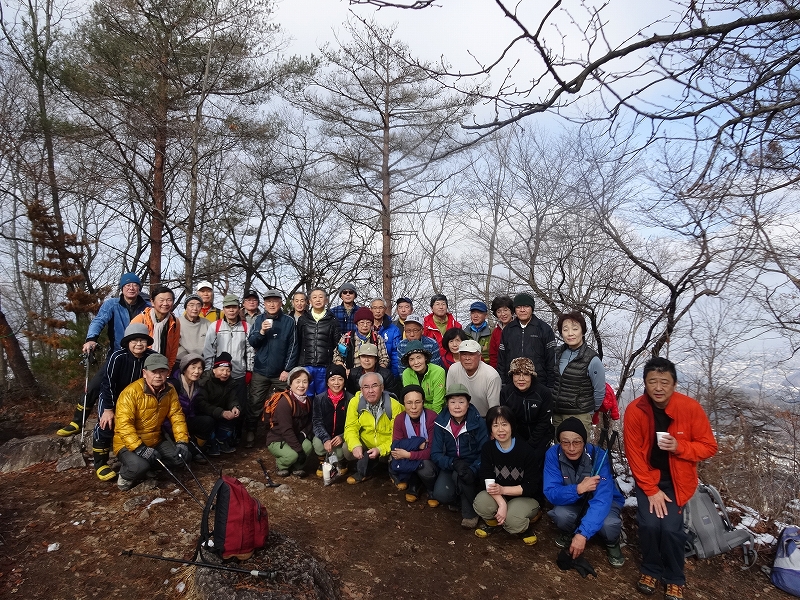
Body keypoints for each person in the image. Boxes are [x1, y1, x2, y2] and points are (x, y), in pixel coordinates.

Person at [624, 357, 717, 600]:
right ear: (645, 383)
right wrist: (651, 489)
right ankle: (650, 569)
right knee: (649, 525)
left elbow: (709, 446)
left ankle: (674, 577)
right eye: (652, 381)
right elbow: (633, 454)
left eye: (664, 382)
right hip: (649, 478)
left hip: (678, 480)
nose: (658, 387)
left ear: (674, 384)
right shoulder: (635, 410)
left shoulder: (689, 408)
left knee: (671, 529)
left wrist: (680, 447)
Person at [57, 272, 149, 437]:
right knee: (94, 386)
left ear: (139, 288)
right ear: (122, 288)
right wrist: (91, 339)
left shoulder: (147, 307)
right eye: (127, 285)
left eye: (135, 285)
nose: (131, 288)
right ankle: (77, 421)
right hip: (117, 354)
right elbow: (99, 320)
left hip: (142, 355)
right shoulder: (112, 304)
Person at [544, 417, 626, 568]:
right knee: (561, 515)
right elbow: (551, 492)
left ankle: (612, 541)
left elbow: (602, 499)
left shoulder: (598, 456)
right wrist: (578, 489)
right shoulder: (553, 454)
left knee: (609, 524)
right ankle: (570, 531)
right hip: (575, 500)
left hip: (603, 501)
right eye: (565, 442)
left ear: (584, 441)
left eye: (577, 442)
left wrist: (582, 534)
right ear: (559, 442)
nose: (571, 448)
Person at [113, 353, 190, 491]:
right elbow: (123, 425)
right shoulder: (130, 392)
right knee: (139, 467)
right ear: (145, 373)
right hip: (127, 442)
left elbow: (176, 415)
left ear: (168, 373)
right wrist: (139, 448)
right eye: (154, 371)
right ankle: (126, 474)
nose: (158, 376)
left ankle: (149, 464)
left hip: (155, 440)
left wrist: (182, 442)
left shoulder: (170, 390)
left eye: (162, 371)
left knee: (182, 457)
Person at [92, 323, 156, 481]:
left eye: (142, 340)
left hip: (137, 401)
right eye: (134, 340)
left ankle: (136, 459)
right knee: (106, 424)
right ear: (128, 342)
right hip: (112, 398)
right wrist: (108, 409)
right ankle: (101, 463)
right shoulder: (117, 357)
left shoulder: (152, 357)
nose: (138, 344)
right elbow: (107, 383)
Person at [473, 406, 540, 544]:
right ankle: (495, 523)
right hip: (498, 495)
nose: (500, 429)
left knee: (513, 520)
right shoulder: (488, 448)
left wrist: (503, 490)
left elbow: (532, 486)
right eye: (495, 425)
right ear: (490, 429)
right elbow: (486, 478)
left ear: (512, 426)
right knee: (481, 502)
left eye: (504, 424)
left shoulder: (526, 450)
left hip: (525, 497)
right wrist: (502, 503)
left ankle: (523, 527)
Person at [430, 383, 489, 528]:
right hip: (451, 464)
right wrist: (452, 463)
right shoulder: (441, 423)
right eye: (452, 402)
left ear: (468, 404)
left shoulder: (477, 422)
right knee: (441, 494)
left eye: (461, 402)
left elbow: (486, 452)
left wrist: (474, 469)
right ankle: (458, 498)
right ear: (447, 404)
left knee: (463, 476)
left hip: (472, 464)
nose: (457, 406)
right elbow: (435, 453)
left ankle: (470, 513)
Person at [246, 289, 297, 448]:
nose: (272, 304)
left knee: (286, 402)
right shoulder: (259, 320)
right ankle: (250, 431)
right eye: (268, 301)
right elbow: (252, 341)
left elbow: (293, 346)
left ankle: (284, 432)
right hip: (260, 370)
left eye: (275, 301)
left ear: (280, 303)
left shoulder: (289, 321)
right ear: (264, 304)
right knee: (255, 402)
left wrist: (287, 369)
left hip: (280, 372)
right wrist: (261, 331)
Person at [499, 357, 553, 501]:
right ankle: (515, 494)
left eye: (525, 374)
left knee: (536, 460)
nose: (521, 379)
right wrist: (520, 444)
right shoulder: (506, 392)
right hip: (517, 435)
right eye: (517, 374)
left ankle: (538, 499)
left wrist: (530, 445)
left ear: (532, 376)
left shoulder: (543, 392)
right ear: (512, 376)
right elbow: (507, 421)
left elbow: (544, 422)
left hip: (540, 436)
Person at [343, 372, 404, 484]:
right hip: (367, 444)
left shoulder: (394, 405)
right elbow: (350, 427)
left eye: (374, 386)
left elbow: (397, 436)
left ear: (382, 387)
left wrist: (381, 449)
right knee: (347, 448)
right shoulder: (355, 403)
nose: (370, 391)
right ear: (361, 390)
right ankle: (365, 470)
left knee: (400, 448)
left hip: (387, 445)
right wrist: (355, 445)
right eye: (366, 387)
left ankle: (395, 472)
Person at [553, 311, 606, 431]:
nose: (570, 333)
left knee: (577, 444)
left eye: (575, 329)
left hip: (580, 415)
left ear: (583, 331)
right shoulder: (557, 353)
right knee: (557, 443)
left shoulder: (592, 359)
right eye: (565, 329)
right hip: (557, 413)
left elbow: (599, 391)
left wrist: (589, 412)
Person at [203, 294, 253, 409]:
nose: (231, 310)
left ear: (239, 309)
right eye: (228, 307)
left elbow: (250, 351)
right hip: (220, 375)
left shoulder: (246, 327)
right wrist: (209, 371)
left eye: (234, 307)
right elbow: (209, 350)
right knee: (220, 405)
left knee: (239, 407)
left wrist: (249, 371)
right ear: (223, 309)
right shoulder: (215, 326)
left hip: (239, 374)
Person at [497, 292, 556, 388]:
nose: (522, 310)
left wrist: (550, 386)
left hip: (539, 384)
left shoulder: (544, 329)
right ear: (514, 310)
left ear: (532, 308)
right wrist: (503, 383)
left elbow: (551, 360)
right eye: (518, 307)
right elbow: (501, 360)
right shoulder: (508, 330)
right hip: (512, 384)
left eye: (526, 306)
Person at [390, 384, 438, 503]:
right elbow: (396, 446)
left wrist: (408, 454)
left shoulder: (432, 417)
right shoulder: (400, 419)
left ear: (423, 402)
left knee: (425, 466)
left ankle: (431, 488)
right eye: (409, 403)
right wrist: (419, 443)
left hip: (426, 460)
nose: (413, 407)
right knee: (394, 457)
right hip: (410, 457)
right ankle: (414, 483)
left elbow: (432, 451)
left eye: (418, 402)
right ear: (403, 404)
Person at [266, 366, 315, 477]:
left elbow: (310, 422)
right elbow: (286, 430)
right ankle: (281, 465)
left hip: (295, 436)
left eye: (305, 382)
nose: (301, 385)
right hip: (278, 439)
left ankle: (297, 466)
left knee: (308, 446)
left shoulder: (307, 401)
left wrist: (303, 434)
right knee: (292, 455)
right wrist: (299, 450)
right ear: (290, 383)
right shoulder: (285, 402)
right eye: (297, 381)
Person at [296, 288, 341, 397]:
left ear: (326, 300)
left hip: (325, 365)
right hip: (306, 365)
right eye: (314, 297)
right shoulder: (303, 319)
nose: (318, 300)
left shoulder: (333, 320)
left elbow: (337, 343)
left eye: (321, 297)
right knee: (306, 396)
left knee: (323, 396)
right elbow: (298, 342)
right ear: (310, 301)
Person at [168, 353, 215, 457]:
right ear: (184, 369)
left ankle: (197, 449)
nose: (197, 371)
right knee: (184, 455)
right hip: (171, 425)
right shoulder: (174, 385)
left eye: (200, 368)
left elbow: (192, 409)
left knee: (207, 421)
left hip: (186, 420)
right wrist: (182, 430)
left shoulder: (196, 385)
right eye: (193, 367)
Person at [195, 352, 241, 454]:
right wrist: (221, 412)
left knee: (234, 416)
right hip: (205, 413)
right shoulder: (205, 382)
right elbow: (201, 404)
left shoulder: (231, 382)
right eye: (222, 370)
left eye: (228, 371)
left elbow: (232, 398)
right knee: (208, 421)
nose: (225, 373)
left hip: (220, 411)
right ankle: (210, 443)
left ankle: (221, 441)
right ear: (214, 370)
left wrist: (235, 407)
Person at [312, 364, 353, 477]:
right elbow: (317, 421)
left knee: (341, 452)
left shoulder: (351, 399)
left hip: (341, 437)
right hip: (327, 436)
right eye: (332, 379)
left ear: (344, 382)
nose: (336, 383)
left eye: (340, 379)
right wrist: (325, 439)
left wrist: (342, 436)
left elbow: (353, 424)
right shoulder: (319, 399)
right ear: (327, 382)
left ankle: (342, 461)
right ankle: (322, 461)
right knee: (317, 443)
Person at [131, 285, 181, 371]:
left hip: (162, 367)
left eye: (169, 300)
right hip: (140, 367)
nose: (165, 303)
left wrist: (168, 370)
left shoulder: (174, 322)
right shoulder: (141, 319)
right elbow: (130, 347)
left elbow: (173, 350)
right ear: (152, 302)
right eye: (161, 300)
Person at [446, 339, 501, 417]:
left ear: (480, 356)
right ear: (459, 356)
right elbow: (450, 398)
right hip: (459, 416)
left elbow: (494, 410)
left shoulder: (491, 376)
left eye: (471, 354)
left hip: (485, 417)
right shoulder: (453, 369)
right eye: (464, 354)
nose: (467, 358)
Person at [332, 307, 389, 372]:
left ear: (372, 324)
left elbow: (384, 358)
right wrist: (344, 370)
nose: (365, 325)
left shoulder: (377, 338)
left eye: (368, 322)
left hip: (372, 373)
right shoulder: (347, 338)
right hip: (350, 373)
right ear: (356, 324)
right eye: (362, 322)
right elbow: (337, 356)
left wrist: (377, 372)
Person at [400, 340, 446, 414]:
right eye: (411, 359)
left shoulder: (438, 372)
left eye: (419, 357)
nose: (416, 362)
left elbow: (438, 403)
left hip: (436, 411)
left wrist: (432, 418)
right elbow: (410, 399)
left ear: (425, 358)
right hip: (415, 410)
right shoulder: (406, 373)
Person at [423, 294, 462, 358]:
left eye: (443, 304)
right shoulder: (425, 327)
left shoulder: (456, 326)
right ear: (432, 308)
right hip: (432, 360)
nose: (441, 307)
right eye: (437, 304)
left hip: (452, 359)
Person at [371, 298, 402, 377]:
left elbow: (396, 355)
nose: (378, 311)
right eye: (375, 308)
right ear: (371, 309)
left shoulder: (394, 330)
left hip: (387, 372)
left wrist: (393, 375)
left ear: (385, 309)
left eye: (381, 308)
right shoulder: (365, 327)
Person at [178, 293, 210, 360]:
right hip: (182, 359)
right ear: (186, 308)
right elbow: (175, 344)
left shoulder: (207, 323)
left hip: (203, 360)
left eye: (198, 305)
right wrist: (189, 359)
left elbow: (211, 344)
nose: (195, 308)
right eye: (191, 305)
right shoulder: (177, 322)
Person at [489, 295, 514, 369]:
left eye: (505, 310)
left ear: (511, 311)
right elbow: (493, 355)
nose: (503, 314)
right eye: (499, 311)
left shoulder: (520, 328)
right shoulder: (495, 332)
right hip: (500, 370)